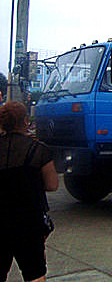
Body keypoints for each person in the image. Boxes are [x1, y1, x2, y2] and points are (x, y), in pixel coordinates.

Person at [0, 101, 58, 282]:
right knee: (34, 273)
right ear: (25, 121)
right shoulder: (38, 150)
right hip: (28, 222)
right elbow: (52, 185)